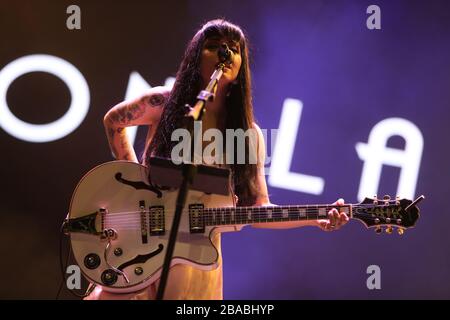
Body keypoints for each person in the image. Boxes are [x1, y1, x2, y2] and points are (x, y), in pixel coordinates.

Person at [86, 19, 349, 300]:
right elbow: (113, 121)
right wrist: (133, 180)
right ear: (196, 58)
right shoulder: (164, 103)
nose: (225, 52)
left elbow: (258, 209)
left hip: (195, 257)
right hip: (140, 245)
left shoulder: (248, 135)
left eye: (234, 49)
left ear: (241, 67)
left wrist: (315, 219)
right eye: (213, 46)